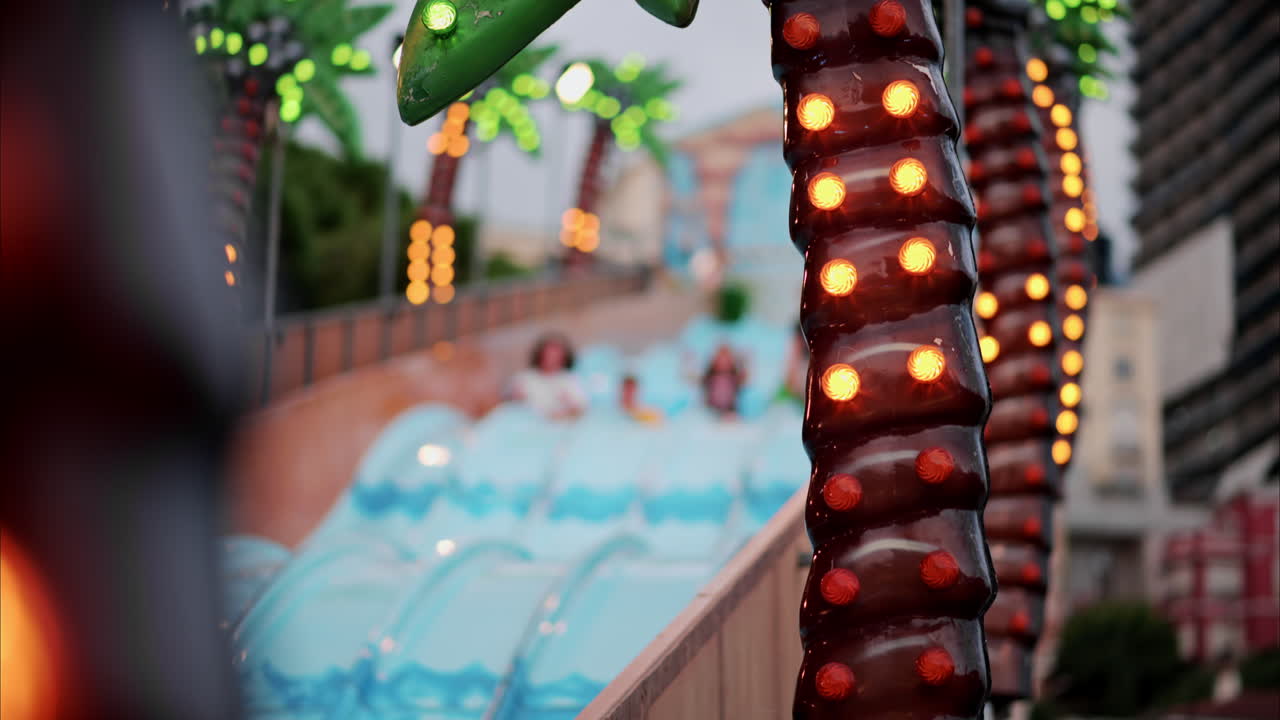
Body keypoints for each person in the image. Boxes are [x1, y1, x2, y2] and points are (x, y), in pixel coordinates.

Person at [509, 333, 587, 420]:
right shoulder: (525, 378)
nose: (552, 360)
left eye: (556, 356)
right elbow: (512, 403)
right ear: (540, 355)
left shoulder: (569, 379)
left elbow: (580, 408)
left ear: (564, 358)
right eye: (548, 355)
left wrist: (569, 410)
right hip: (530, 422)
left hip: (559, 424)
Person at [702, 343, 746, 419]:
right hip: (712, 407)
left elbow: (744, 379)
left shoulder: (734, 375)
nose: (723, 362)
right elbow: (698, 381)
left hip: (730, 407)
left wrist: (744, 362)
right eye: (720, 358)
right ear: (714, 360)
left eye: (726, 359)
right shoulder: (710, 375)